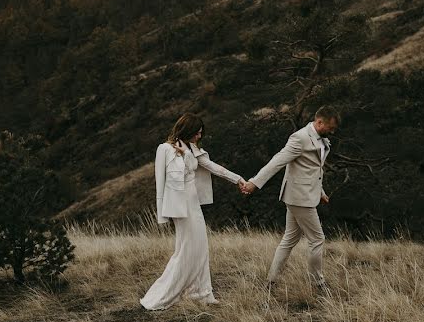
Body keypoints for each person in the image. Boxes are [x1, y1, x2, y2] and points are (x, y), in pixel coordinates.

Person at [140, 113, 247, 310]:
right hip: (180, 207)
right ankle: (167, 294)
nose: (199, 137)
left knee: (200, 247)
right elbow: (160, 182)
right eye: (197, 133)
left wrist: (238, 179)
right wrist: (162, 214)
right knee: (187, 250)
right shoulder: (164, 149)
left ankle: (203, 292)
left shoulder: (192, 148)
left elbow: (213, 167)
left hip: (193, 203)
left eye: (200, 134)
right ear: (187, 130)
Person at [241, 106, 340, 292]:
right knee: (317, 239)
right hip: (299, 198)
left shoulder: (320, 139)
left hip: (303, 195)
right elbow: (277, 161)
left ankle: (271, 282)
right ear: (319, 122)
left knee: (289, 239)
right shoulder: (300, 138)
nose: (332, 132)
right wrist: (254, 182)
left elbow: (313, 169)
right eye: (330, 127)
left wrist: (321, 192)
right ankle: (318, 283)